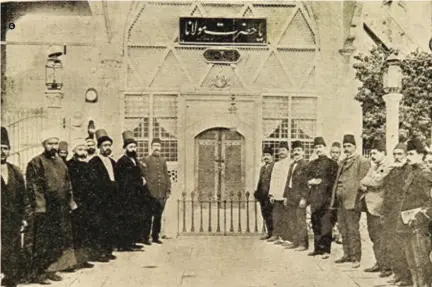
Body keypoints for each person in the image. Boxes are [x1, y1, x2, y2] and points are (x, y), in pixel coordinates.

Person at [26, 129, 77, 284]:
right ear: (44, 144)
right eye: (50, 143)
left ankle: (51, 269)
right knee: (42, 241)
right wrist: (40, 207)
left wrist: (71, 202)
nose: (53, 146)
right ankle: (38, 273)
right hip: (45, 209)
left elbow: (68, 184)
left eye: (55, 143)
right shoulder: (36, 162)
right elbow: (35, 186)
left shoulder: (61, 162)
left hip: (60, 208)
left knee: (56, 240)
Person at [396, 139, 432, 287]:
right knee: (411, 260)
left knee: (420, 261)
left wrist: (419, 215)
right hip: (406, 222)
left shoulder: (425, 174)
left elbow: (429, 201)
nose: (408, 157)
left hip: (419, 224)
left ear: (421, 155)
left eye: (411, 154)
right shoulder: (412, 172)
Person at [330, 134, 370, 268]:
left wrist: (357, 200)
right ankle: (346, 254)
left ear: (355, 147)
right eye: (345, 146)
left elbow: (363, 183)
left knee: (353, 230)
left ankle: (356, 258)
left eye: (349, 146)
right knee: (343, 228)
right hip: (340, 200)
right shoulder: (342, 162)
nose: (346, 149)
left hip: (352, 201)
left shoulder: (362, 161)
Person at [359, 139, 393, 276]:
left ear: (383, 153)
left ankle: (387, 267)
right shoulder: (375, 166)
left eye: (375, 153)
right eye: (371, 153)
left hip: (379, 206)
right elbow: (366, 179)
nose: (372, 156)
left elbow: (376, 181)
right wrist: (366, 181)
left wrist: (365, 182)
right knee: (374, 236)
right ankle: (379, 263)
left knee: (382, 237)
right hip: (370, 205)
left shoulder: (388, 165)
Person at [1, 127, 29, 287]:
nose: (2, 152)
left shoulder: (15, 171)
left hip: (13, 218)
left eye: (5, 148)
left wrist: (24, 217)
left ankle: (10, 278)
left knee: (12, 249)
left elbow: (23, 196)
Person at [381, 143, 412, 286]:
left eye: (400, 154)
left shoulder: (409, 170)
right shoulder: (392, 169)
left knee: (402, 245)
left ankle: (406, 277)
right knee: (392, 244)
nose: (397, 157)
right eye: (395, 154)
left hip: (402, 212)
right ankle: (397, 274)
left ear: (406, 155)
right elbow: (386, 190)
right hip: (390, 211)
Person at [116, 130, 149, 251]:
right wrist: (140, 181)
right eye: (130, 147)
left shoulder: (135, 160)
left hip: (136, 195)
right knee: (127, 219)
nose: (133, 149)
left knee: (134, 218)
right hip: (127, 196)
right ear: (125, 148)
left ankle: (133, 241)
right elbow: (125, 180)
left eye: (134, 147)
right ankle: (125, 244)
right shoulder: (122, 161)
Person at [306, 137, 338, 259]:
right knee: (315, 223)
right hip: (315, 198)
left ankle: (326, 250)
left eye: (320, 147)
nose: (318, 149)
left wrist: (320, 182)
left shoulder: (332, 163)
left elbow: (333, 181)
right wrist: (311, 181)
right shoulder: (312, 163)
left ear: (325, 147)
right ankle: (317, 248)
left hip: (327, 199)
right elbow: (306, 177)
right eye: (316, 148)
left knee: (326, 225)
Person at [88, 129, 118, 261]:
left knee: (110, 224)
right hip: (101, 199)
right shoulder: (94, 161)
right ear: (99, 147)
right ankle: (100, 253)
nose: (107, 148)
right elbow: (94, 182)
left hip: (111, 198)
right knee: (101, 226)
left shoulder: (112, 161)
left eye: (109, 146)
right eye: (105, 146)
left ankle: (108, 250)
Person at [66, 138, 95, 269]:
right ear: (74, 151)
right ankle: (73, 261)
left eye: (84, 149)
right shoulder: (69, 165)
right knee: (75, 233)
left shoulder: (87, 164)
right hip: (76, 203)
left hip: (88, 204)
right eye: (80, 149)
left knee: (86, 231)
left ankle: (83, 259)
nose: (83, 152)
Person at [142, 138, 171, 245]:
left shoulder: (163, 160)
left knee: (158, 215)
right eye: (155, 145)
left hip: (161, 192)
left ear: (161, 147)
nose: (157, 148)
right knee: (148, 215)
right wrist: (147, 191)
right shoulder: (146, 159)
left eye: (158, 146)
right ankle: (145, 237)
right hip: (151, 192)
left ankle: (155, 236)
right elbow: (144, 176)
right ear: (151, 147)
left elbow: (166, 175)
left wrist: (168, 189)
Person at [283, 141, 309, 251]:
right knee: (292, 220)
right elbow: (288, 181)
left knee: (300, 221)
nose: (296, 152)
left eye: (299, 150)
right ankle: (295, 241)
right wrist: (285, 196)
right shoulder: (292, 165)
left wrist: (304, 198)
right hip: (291, 197)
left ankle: (303, 244)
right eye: (294, 151)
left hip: (300, 198)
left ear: (303, 152)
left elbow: (307, 184)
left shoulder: (306, 165)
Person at [267, 142, 291, 245]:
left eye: (283, 150)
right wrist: (271, 194)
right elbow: (273, 179)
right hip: (277, 193)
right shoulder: (276, 164)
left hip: (286, 194)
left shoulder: (291, 163)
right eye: (280, 150)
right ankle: (276, 235)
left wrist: (288, 195)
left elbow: (290, 180)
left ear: (288, 152)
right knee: (276, 215)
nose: (281, 152)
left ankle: (285, 237)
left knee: (286, 216)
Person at [253, 146, 275, 240]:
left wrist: (272, 194)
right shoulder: (262, 168)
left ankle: (274, 234)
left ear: (272, 156)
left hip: (270, 195)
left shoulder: (274, 166)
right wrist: (257, 193)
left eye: (268, 155)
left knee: (271, 214)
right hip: (262, 195)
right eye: (264, 155)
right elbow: (260, 181)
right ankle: (269, 232)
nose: (266, 157)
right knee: (265, 214)